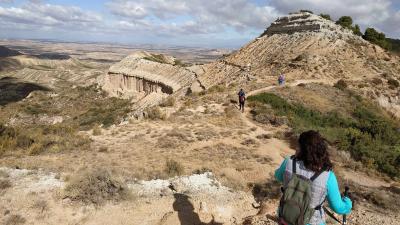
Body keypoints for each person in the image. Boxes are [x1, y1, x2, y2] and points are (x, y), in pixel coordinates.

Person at [275, 130, 352, 225]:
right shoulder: (328, 176)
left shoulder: (288, 162)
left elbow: (277, 176)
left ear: (302, 148)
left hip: (286, 218)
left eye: (298, 145)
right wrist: (348, 203)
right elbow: (338, 208)